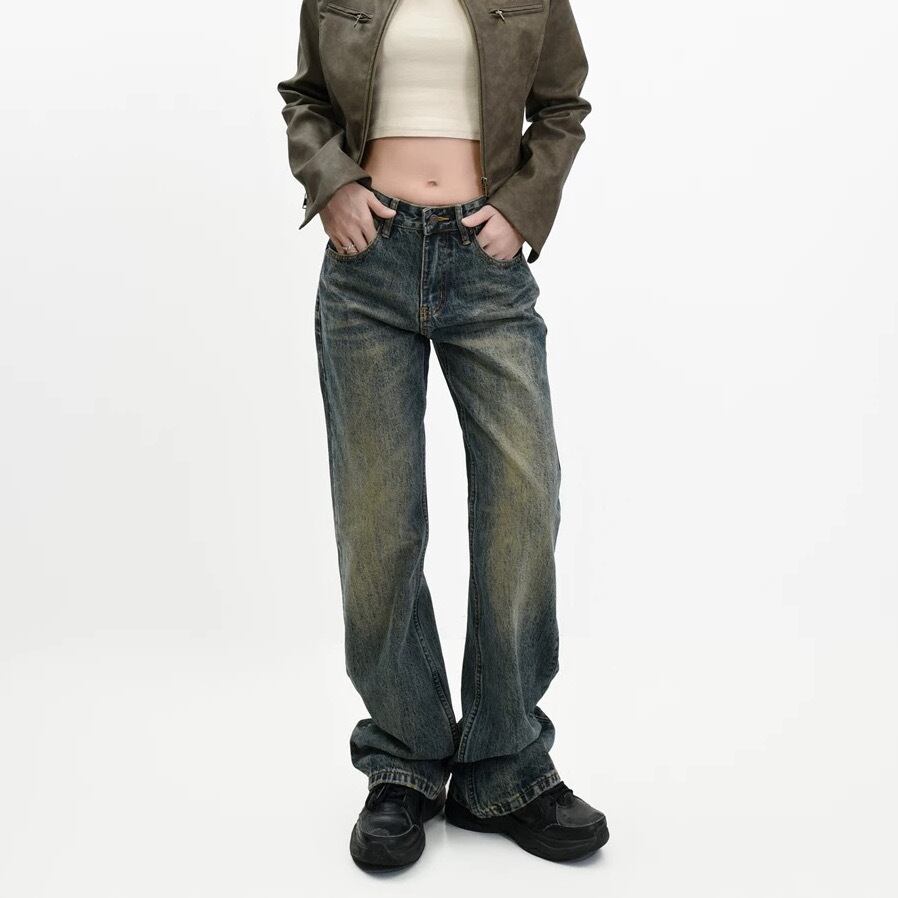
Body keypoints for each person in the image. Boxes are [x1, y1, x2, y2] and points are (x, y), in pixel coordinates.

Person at [277, 0, 609, 867]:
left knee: (524, 503)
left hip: (485, 266)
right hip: (367, 268)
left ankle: (506, 768)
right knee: (378, 523)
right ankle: (405, 761)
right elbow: (305, 96)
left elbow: (562, 104)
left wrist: (524, 206)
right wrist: (332, 183)